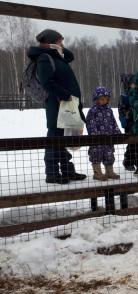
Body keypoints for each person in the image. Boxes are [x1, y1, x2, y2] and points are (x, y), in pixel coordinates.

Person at [27, 29, 87, 184]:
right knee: (54, 137)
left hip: (66, 104)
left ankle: (67, 170)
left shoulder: (56, 56)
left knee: (61, 138)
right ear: (52, 42)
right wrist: (66, 96)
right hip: (57, 104)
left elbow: (70, 56)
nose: (63, 43)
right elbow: (48, 83)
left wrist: (57, 48)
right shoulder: (44, 58)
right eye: (60, 40)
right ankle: (52, 173)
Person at [85, 86, 121, 181]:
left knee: (109, 155)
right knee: (96, 155)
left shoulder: (109, 111)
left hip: (108, 138)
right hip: (97, 139)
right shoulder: (93, 111)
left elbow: (113, 122)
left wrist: (116, 131)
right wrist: (94, 133)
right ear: (96, 99)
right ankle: (97, 173)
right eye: (102, 99)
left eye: (106, 99)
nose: (104, 101)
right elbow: (90, 123)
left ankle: (109, 172)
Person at [118, 73, 138, 171]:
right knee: (132, 143)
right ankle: (128, 161)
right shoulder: (124, 96)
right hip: (129, 123)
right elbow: (122, 110)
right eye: (133, 84)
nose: (135, 85)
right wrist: (128, 114)